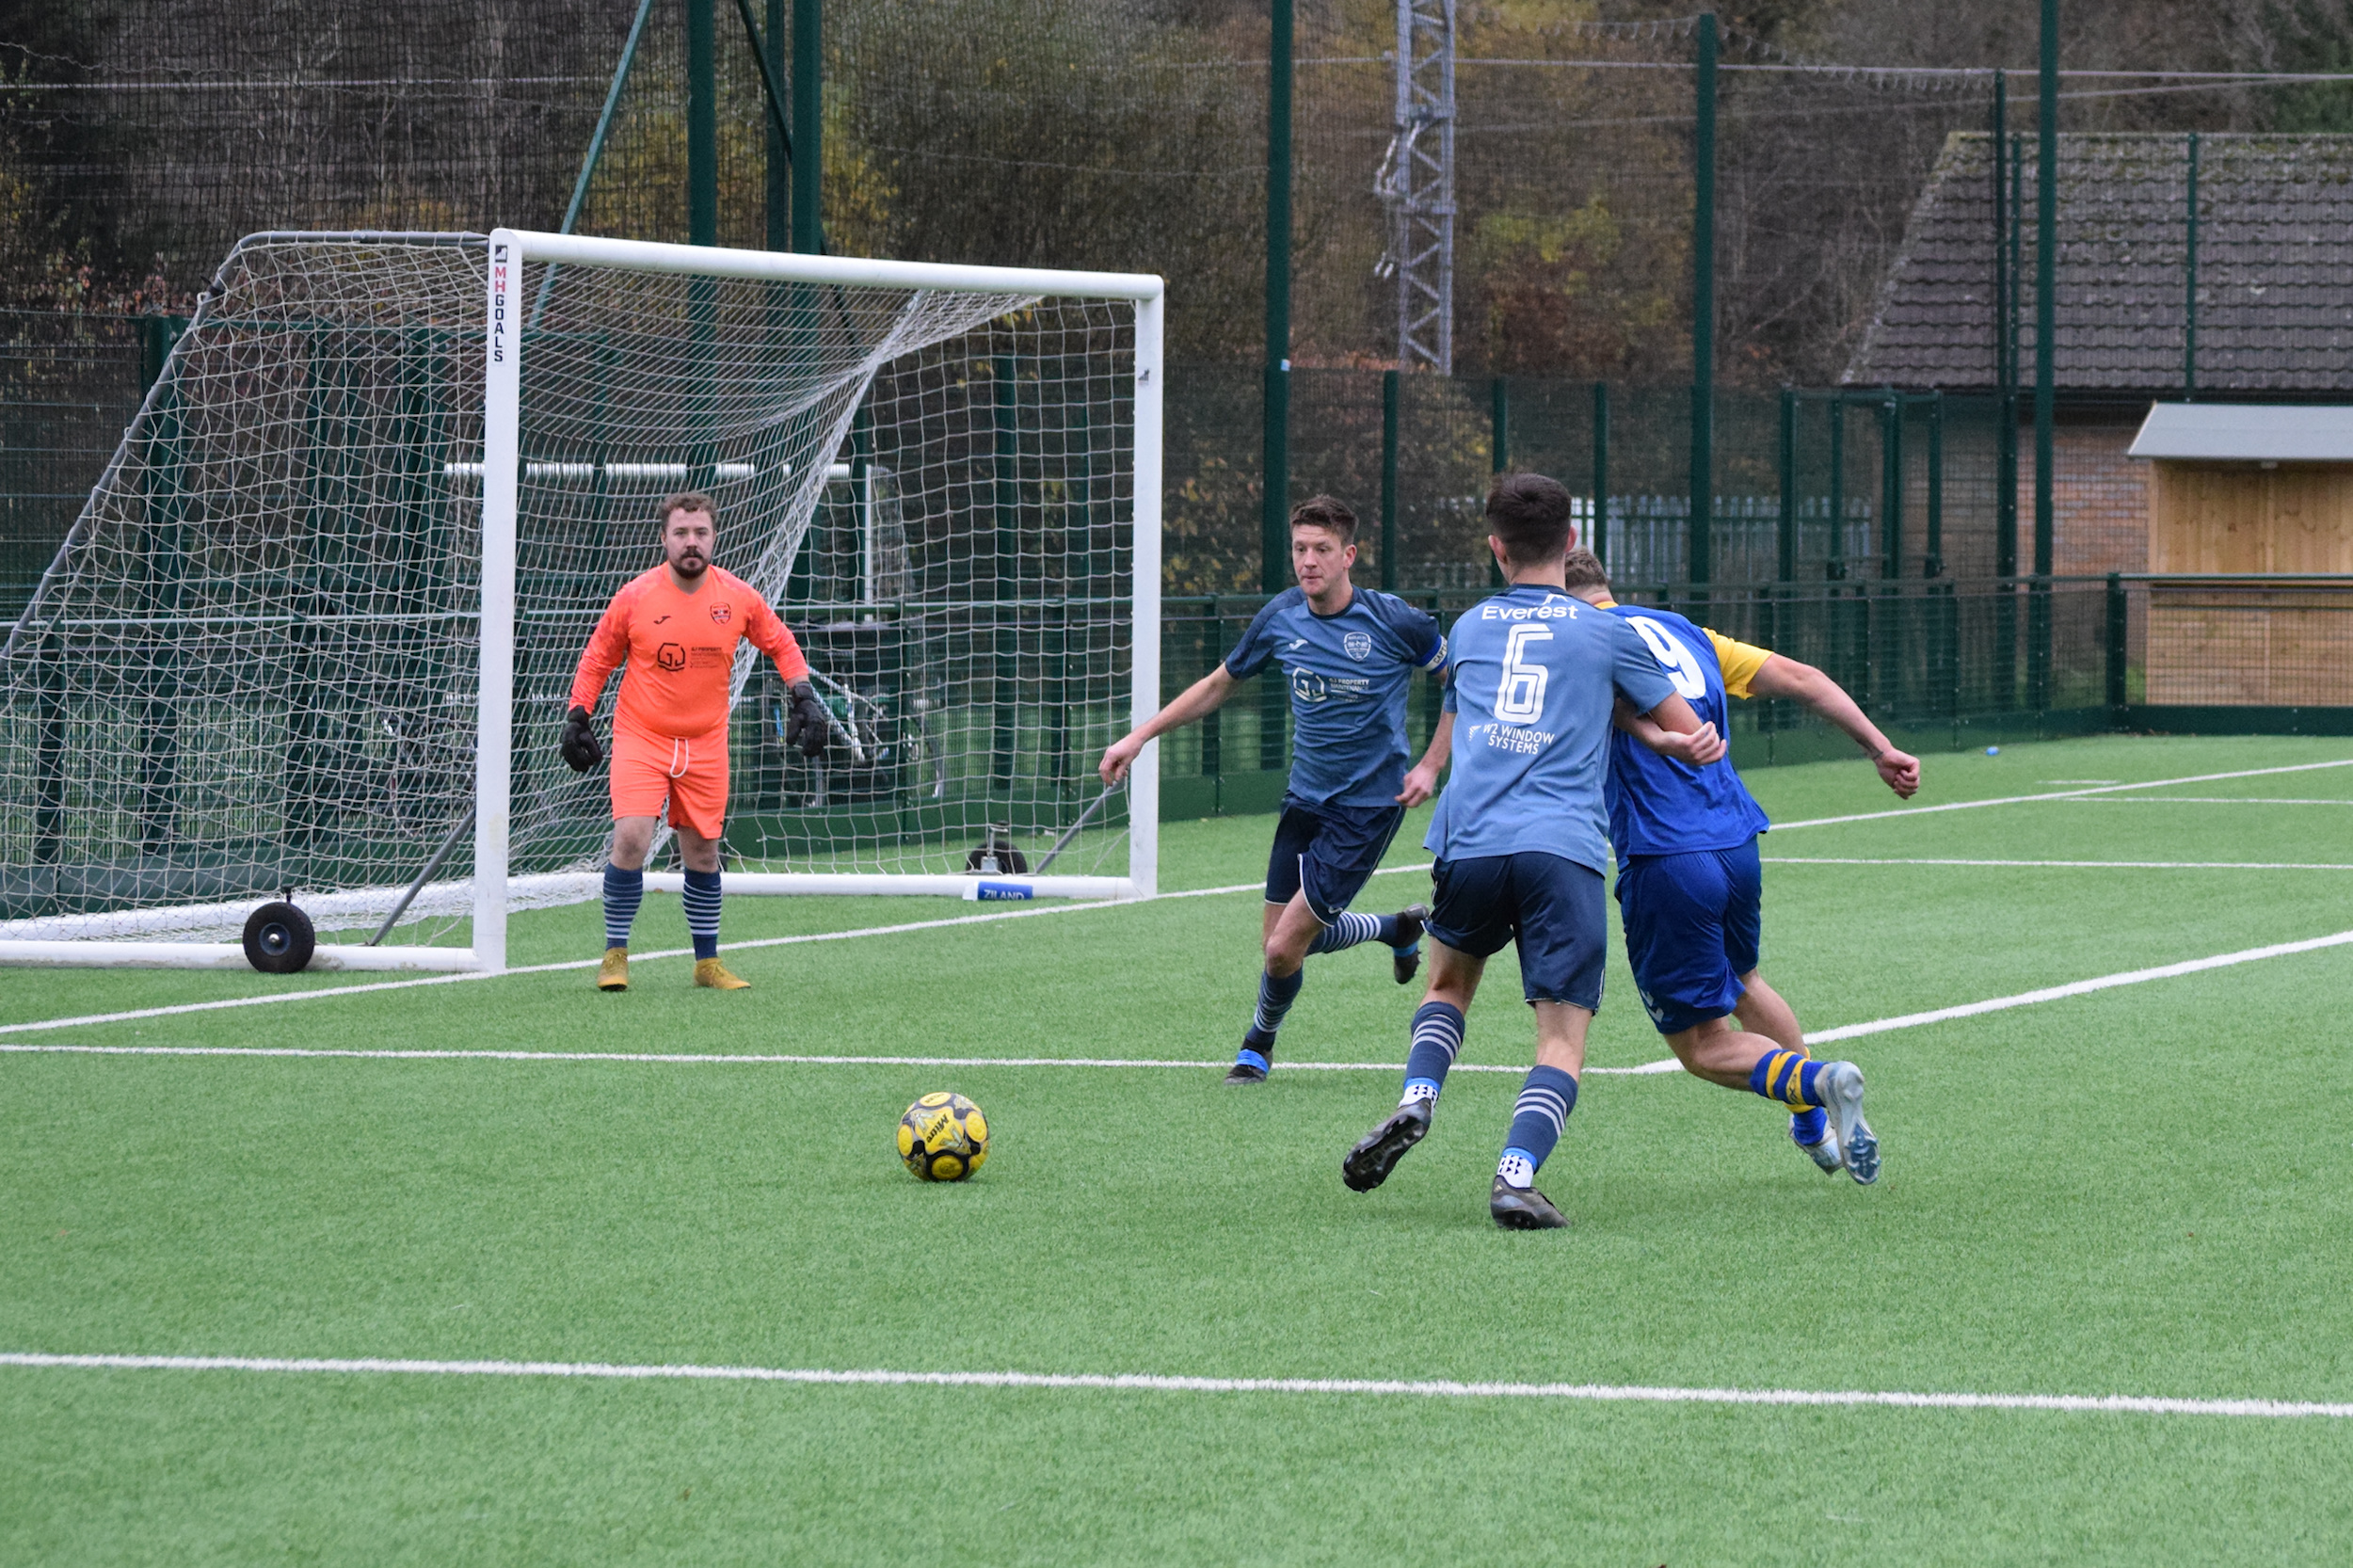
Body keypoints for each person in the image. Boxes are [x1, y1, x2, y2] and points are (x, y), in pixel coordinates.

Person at [1339, 473, 1725, 1229]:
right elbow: (1687, 731)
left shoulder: (1474, 627)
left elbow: (1484, 701)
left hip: (1470, 839)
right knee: (1561, 1033)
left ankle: (1417, 1100)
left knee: (1447, 988)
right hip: (1562, 847)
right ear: (1573, 541)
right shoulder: (1607, 633)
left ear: (1495, 548)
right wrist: (1673, 738)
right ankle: (1514, 1175)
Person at [1563, 546, 1918, 1184]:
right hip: (1734, 841)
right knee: (1745, 979)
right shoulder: (1683, 631)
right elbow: (1804, 679)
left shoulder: (1577, 640)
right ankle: (1813, 1123)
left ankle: (1819, 1081)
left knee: (1702, 1047)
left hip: (1666, 855)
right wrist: (1881, 748)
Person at [1098, 496, 1447, 1085]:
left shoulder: (1394, 622)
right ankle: (1395, 927)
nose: (1308, 562)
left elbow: (1460, 680)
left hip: (1367, 809)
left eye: (1321, 550)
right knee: (1279, 948)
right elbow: (1217, 685)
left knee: (1285, 949)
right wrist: (1140, 737)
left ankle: (1257, 1044)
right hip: (1304, 799)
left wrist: (1432, 765)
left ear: (1349, 556)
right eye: (1300, 549)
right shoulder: (1282, 617)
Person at [561, 491, 832, 992]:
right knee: (632, 838)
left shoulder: (738, 597)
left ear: (714, 538)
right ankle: (614, 955)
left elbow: (781, 642)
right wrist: (579, 714)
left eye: (701, 533)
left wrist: (804, 696)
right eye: (681, 533)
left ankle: (707, 964)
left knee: (704, 855)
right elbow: (598, 656)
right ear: (663, 538)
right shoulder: (636, 597)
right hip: (642, 736)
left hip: (706, 741)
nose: (691, 543)